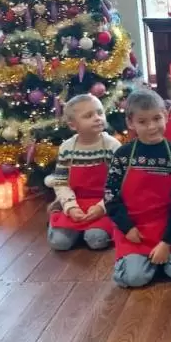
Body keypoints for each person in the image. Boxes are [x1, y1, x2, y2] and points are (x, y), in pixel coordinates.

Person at [105, 89, 171, 288]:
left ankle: (157, 259)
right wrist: (127, 228)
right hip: (135, 230)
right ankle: (153, 263)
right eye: (142, 121)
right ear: (131, 123)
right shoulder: (122, 155)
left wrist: (166, 242)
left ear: (166, 116)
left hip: (168, 226)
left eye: (157, 118)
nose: (151, 127)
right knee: (135, 278)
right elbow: (110, 196)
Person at [46, 94, 121, 251]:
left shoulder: (112, 146)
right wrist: (70, 207)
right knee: (59, 242)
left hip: (104, 204)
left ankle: (89, 231)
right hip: (76, 202)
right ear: (73, 125)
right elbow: (61, 182)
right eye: (88, 116)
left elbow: (119, 184)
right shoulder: (67, 148)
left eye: (100, 112)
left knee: (96, 240)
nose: (97, 118)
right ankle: (70, 225)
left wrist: (102, 207)